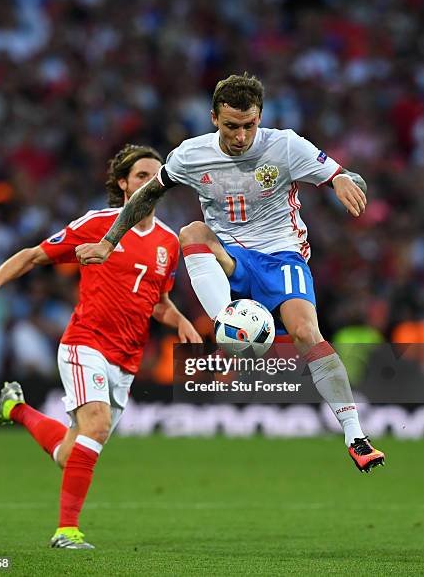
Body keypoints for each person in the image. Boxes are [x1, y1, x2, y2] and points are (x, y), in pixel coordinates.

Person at [74, 73, 385, 474]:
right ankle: (228, 327)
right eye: (231, 126)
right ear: (213, 119)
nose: (240, 137)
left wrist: (344, 179)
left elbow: (343, 174)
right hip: (229, 257)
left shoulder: (286, 145)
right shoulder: (190, 154)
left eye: (249, 125)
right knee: (192, 232)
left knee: (307, 333)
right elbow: (147, 193)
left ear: (260, 117)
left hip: (280, 255)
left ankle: (355, 436)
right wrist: (108, 242)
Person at [0, 144, 202, 550]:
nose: (151, 183)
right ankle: (66, 532)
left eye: (156, 176)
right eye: (141, 176)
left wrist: (180, 321)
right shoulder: (99, 224)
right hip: (85, 343)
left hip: (126, 361)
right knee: (96, 425)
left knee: (69, 454)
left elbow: (157, 302)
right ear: (123, 183)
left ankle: (13, 408)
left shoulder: (169, 243)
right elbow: (34, 255)